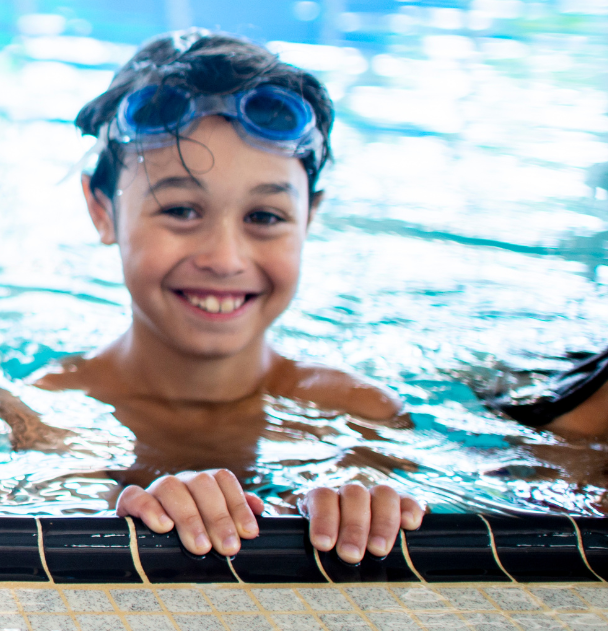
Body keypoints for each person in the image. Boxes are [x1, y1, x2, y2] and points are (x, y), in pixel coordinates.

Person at [40, 28, 424, 563]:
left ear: (309, 217)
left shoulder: (359, 415)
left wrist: (364, 513)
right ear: (102, 210)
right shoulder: (46, 411)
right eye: (180, 211)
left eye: (264, 217)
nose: (224, 258)